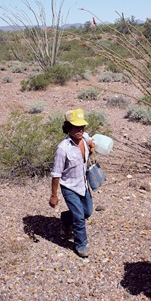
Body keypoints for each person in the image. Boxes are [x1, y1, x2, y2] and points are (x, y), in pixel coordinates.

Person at [49, 109, 96, 258]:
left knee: (87, 212)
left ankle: (66, 218)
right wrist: (54, 195)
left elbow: (91, 140)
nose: (80, 130)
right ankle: (81, 245)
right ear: (68, 128)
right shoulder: (63, 148)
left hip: (83, 184)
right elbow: (56, 174)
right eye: (76, 127)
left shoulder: (84, 137)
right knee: (80, 218)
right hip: (69, 187)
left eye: (82, 127)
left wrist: (92, 145)